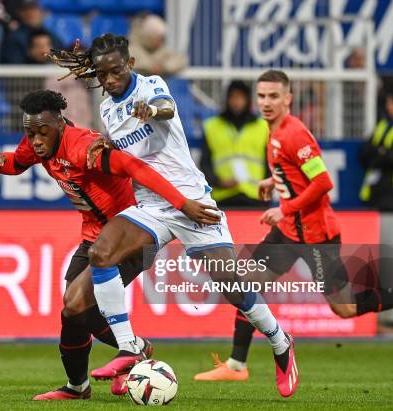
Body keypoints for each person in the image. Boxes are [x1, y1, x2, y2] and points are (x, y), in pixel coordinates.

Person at [49, 34, 298, 398]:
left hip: (192, 200)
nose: (111, 80)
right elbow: (125, 151)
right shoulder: (107, 109)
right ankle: (129, 347)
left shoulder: (151, 86)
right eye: (103, 75)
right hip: (151, 206)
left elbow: (164, 106)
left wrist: (152, 111)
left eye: (117, 71)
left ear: (130, 65)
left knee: (231, 284)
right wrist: (104, 142)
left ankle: (280, 341)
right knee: (101, 253)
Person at [0, 89, 217, 400]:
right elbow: (17, 163)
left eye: (42, 132)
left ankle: (132, 349)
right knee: (72, 312)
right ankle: (79, 386)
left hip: (128, 236)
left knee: (79, 306)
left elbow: (136, 168)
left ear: (60, 124)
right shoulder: (39, 142)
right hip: (94, 236)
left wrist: (182, 203)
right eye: (30, 133)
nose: (35, 140)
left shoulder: (84, 147)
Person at [193, 70, 393, 382]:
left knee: (345, 309)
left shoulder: (294, 133)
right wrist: (274, 181)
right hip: (288, 233)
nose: (266, 102)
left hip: (317, 237)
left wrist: (283, 207)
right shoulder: (272, 131)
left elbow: (322, 181)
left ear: (288, 98)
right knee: (245, 283)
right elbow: (297, 172)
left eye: (274, 96)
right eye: (261, 96)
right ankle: (236, 365)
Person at [200, 80, 269, 208]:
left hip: (255, 196)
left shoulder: (263, 127)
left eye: (240, 97)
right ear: (226, 99)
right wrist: (218, 182)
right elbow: (205, 162)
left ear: (248, 100)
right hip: (222, 196)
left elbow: (270, 163)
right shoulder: (211, 126)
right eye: (233, 97)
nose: (236, 101)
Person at [359, 85, 393, 210]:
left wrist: (379, 153)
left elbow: (391, 158)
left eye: (391, 103)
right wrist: (382, 152)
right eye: (388, 103)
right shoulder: (382, 125)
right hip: (376, 191)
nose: (388, 107)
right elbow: (364, 153)